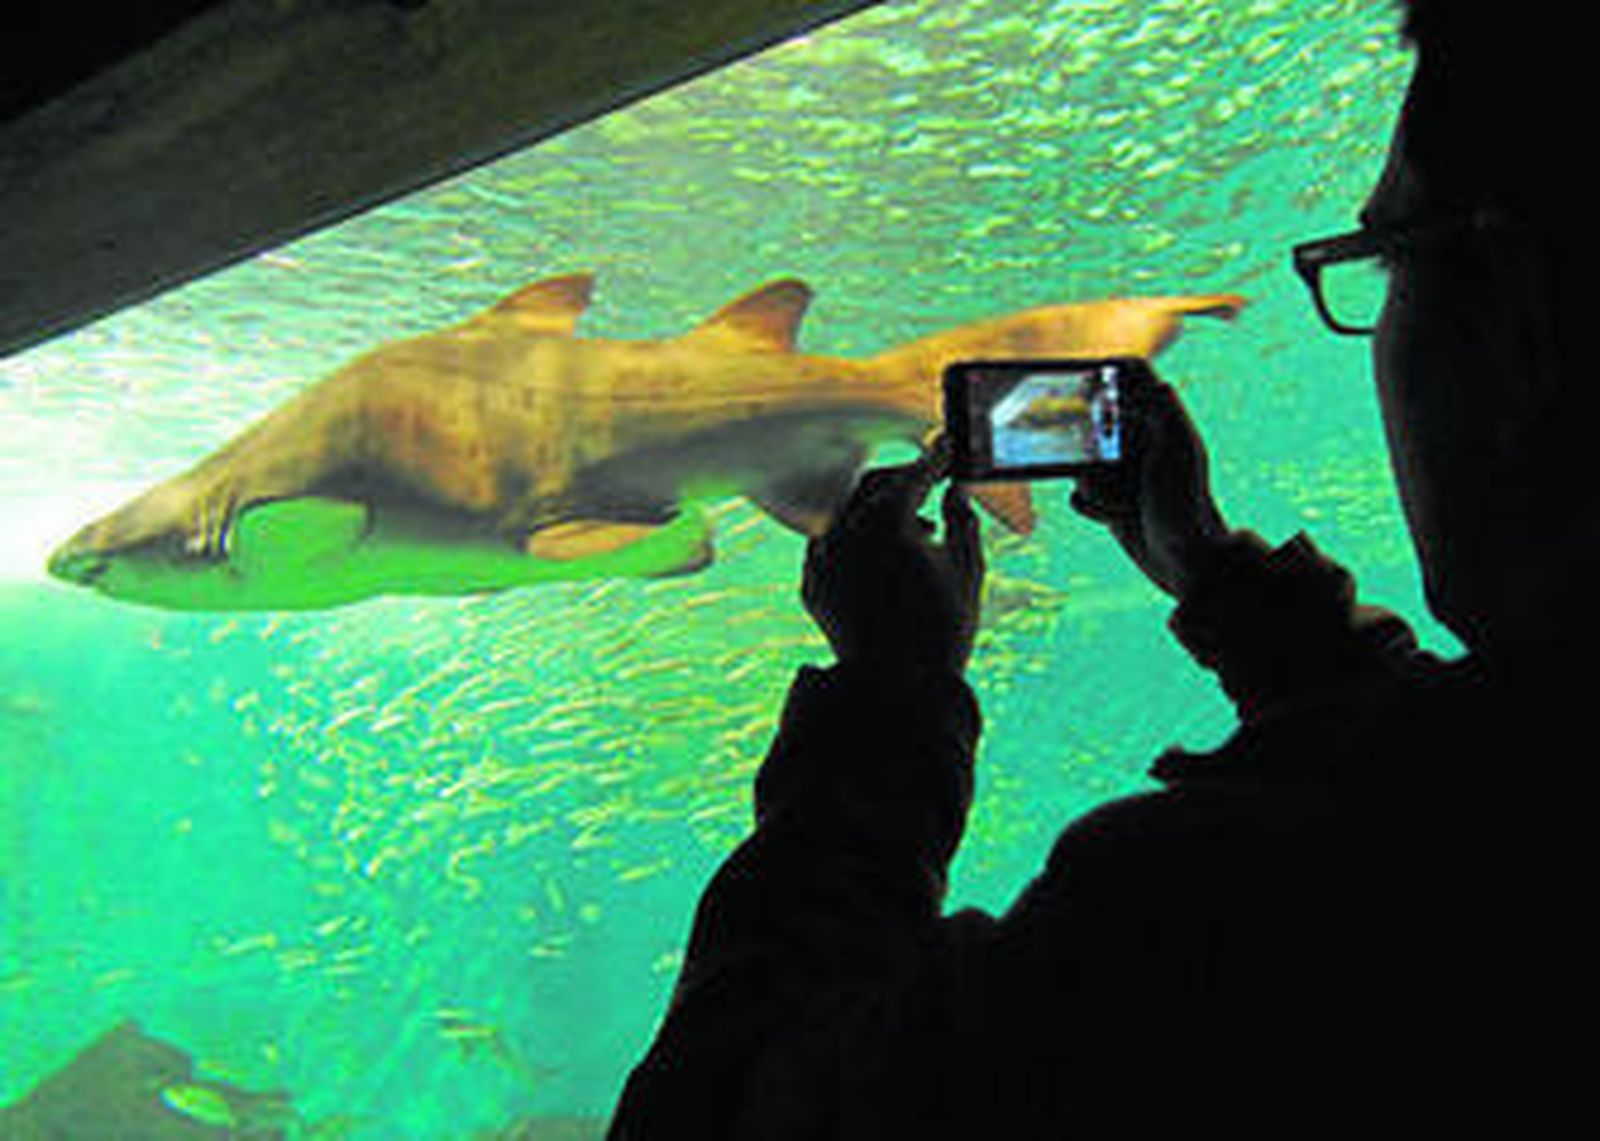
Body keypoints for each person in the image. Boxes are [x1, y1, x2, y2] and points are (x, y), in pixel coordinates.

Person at [610, 2, 1588, 1135]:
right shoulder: (1521, 800)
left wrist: (888, 696)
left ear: (1516, 318)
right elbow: (1461, 783)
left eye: (1380, 267)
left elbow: (725, 1107)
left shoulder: (1205, 918)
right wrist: (1219, 578)